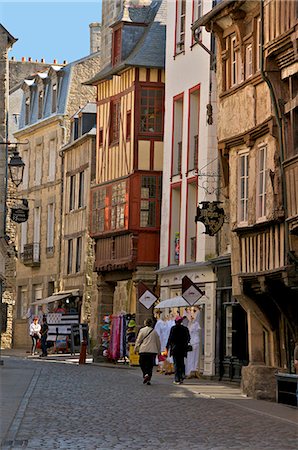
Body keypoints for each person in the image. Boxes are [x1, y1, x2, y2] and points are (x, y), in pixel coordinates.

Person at [134, 318, 161, 385]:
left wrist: (136, 348)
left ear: (145, 323)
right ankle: (149, 377)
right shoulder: (154, 332)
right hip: (152, 351)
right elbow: (158, 342)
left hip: (143, 350)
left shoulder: (142, 330)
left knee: (142, 363)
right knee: (150, 365)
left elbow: (138, 340)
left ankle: (145, 374)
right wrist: (159, 351)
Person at [166, 316, 190, 384]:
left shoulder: (173, 328)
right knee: (181, 363)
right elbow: (188, 338)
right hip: (182, 349)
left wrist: (167, 347)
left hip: (175, 349)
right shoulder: (185, 329)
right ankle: (182, 376)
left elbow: (170, 339)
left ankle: (177, 379)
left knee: (176, 364)